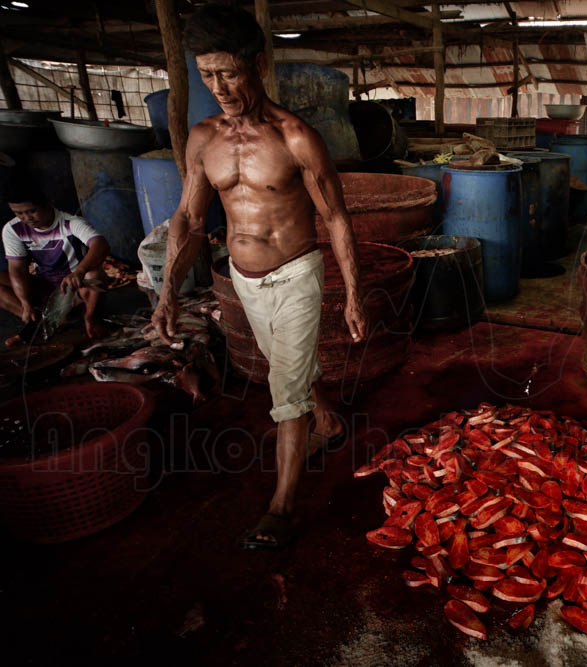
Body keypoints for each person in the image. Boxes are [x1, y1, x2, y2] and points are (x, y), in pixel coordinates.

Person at [152, 5, 367, 551]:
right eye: (206, 75)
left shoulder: (296, 137)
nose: (218, 86)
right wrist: (167, 290)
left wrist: (353, 296)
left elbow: (337, 217)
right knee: (285, 367)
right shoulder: (203, 139)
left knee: (283, 391)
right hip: (243, 277)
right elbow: (191, 219)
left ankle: (281, 509)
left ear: (259, 65)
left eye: (228, 72)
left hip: (296, 271)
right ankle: (331, 424)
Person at [1, 175, 109, 338]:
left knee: (95, 275)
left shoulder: (70, 222)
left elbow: (100, 244)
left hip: (74, 289)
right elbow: (17, 269)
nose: (27, 218)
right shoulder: (12, 229)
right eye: (19, 213)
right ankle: (39, 320)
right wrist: (25, 302)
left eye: (31, 211)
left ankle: (90, 317)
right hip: (44, 288)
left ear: (45, 202)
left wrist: (79, 272)